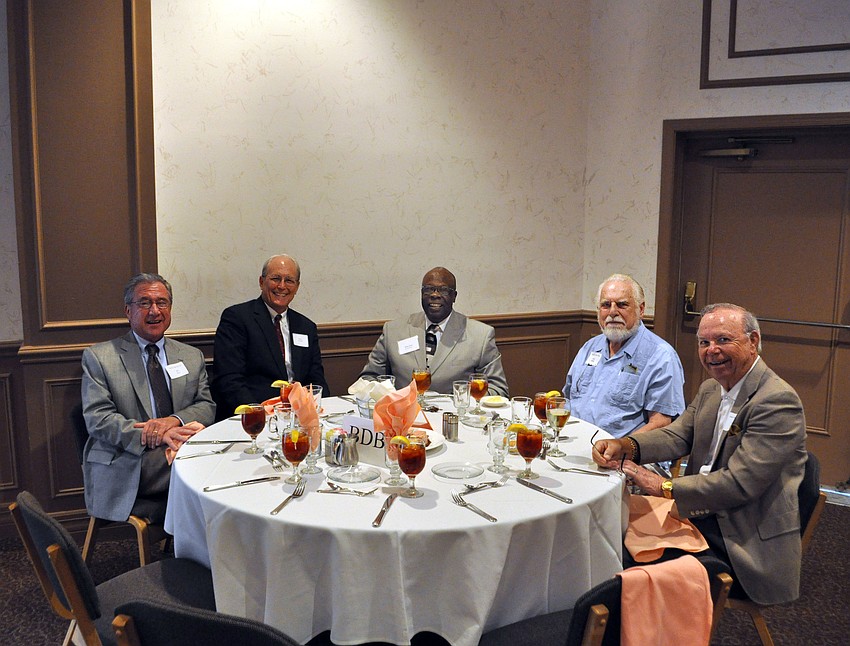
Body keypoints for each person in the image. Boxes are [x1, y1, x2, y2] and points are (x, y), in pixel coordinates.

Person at [593, 303, 807, 605]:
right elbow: (677, 435)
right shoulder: (711, 389)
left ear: (753, 341)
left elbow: (739, 484)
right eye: (704, 342)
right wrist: (627, 445)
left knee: (626, 560)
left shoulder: (776, 401)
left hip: (739, 540)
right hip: (699, 513)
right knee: (609, 530)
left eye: (722, 340)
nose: (711, 350)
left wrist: (663, 486)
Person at [81, 273, 216, 523]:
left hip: (176, 449)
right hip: (127, 459)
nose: (154, 311)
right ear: (128, 311)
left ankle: (203, 551)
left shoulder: (190, 355)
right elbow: (98, 419)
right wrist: (154, 433)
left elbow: (206, 406)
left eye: (161, 302)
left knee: (208, 459)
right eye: (144, 303)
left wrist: (173, 421)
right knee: (202, 465)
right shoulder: (100, 357)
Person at [563, 274, 685, 438]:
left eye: (622, 305)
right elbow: (568, 401)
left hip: (624, 455)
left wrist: (620, 448)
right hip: (573, 444)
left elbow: (661, 425)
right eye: (606, 305)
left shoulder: (661, 357)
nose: (613, 312)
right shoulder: (590, 347)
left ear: (641, 309)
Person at [212, 254, 330, 419]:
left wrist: (318, 413)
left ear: (297, 287)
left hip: (299, 417)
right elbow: (230, 380)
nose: (282, 286)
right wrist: (259, 415)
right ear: (261, 282)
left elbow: (316, 380)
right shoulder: (237, 318)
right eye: (275, 278)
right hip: (256, 417)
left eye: (289, 280)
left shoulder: (306, 327)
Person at [360, 267, 508, 396]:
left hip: (454, 420)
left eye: (443, 290)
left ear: (454, 296)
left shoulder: (480, 336)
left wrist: (460, 397)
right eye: (429, 289)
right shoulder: (393, 331)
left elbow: (498, 390)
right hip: (403, 419)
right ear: (421, 293)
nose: (435, 295)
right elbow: (369, 378)